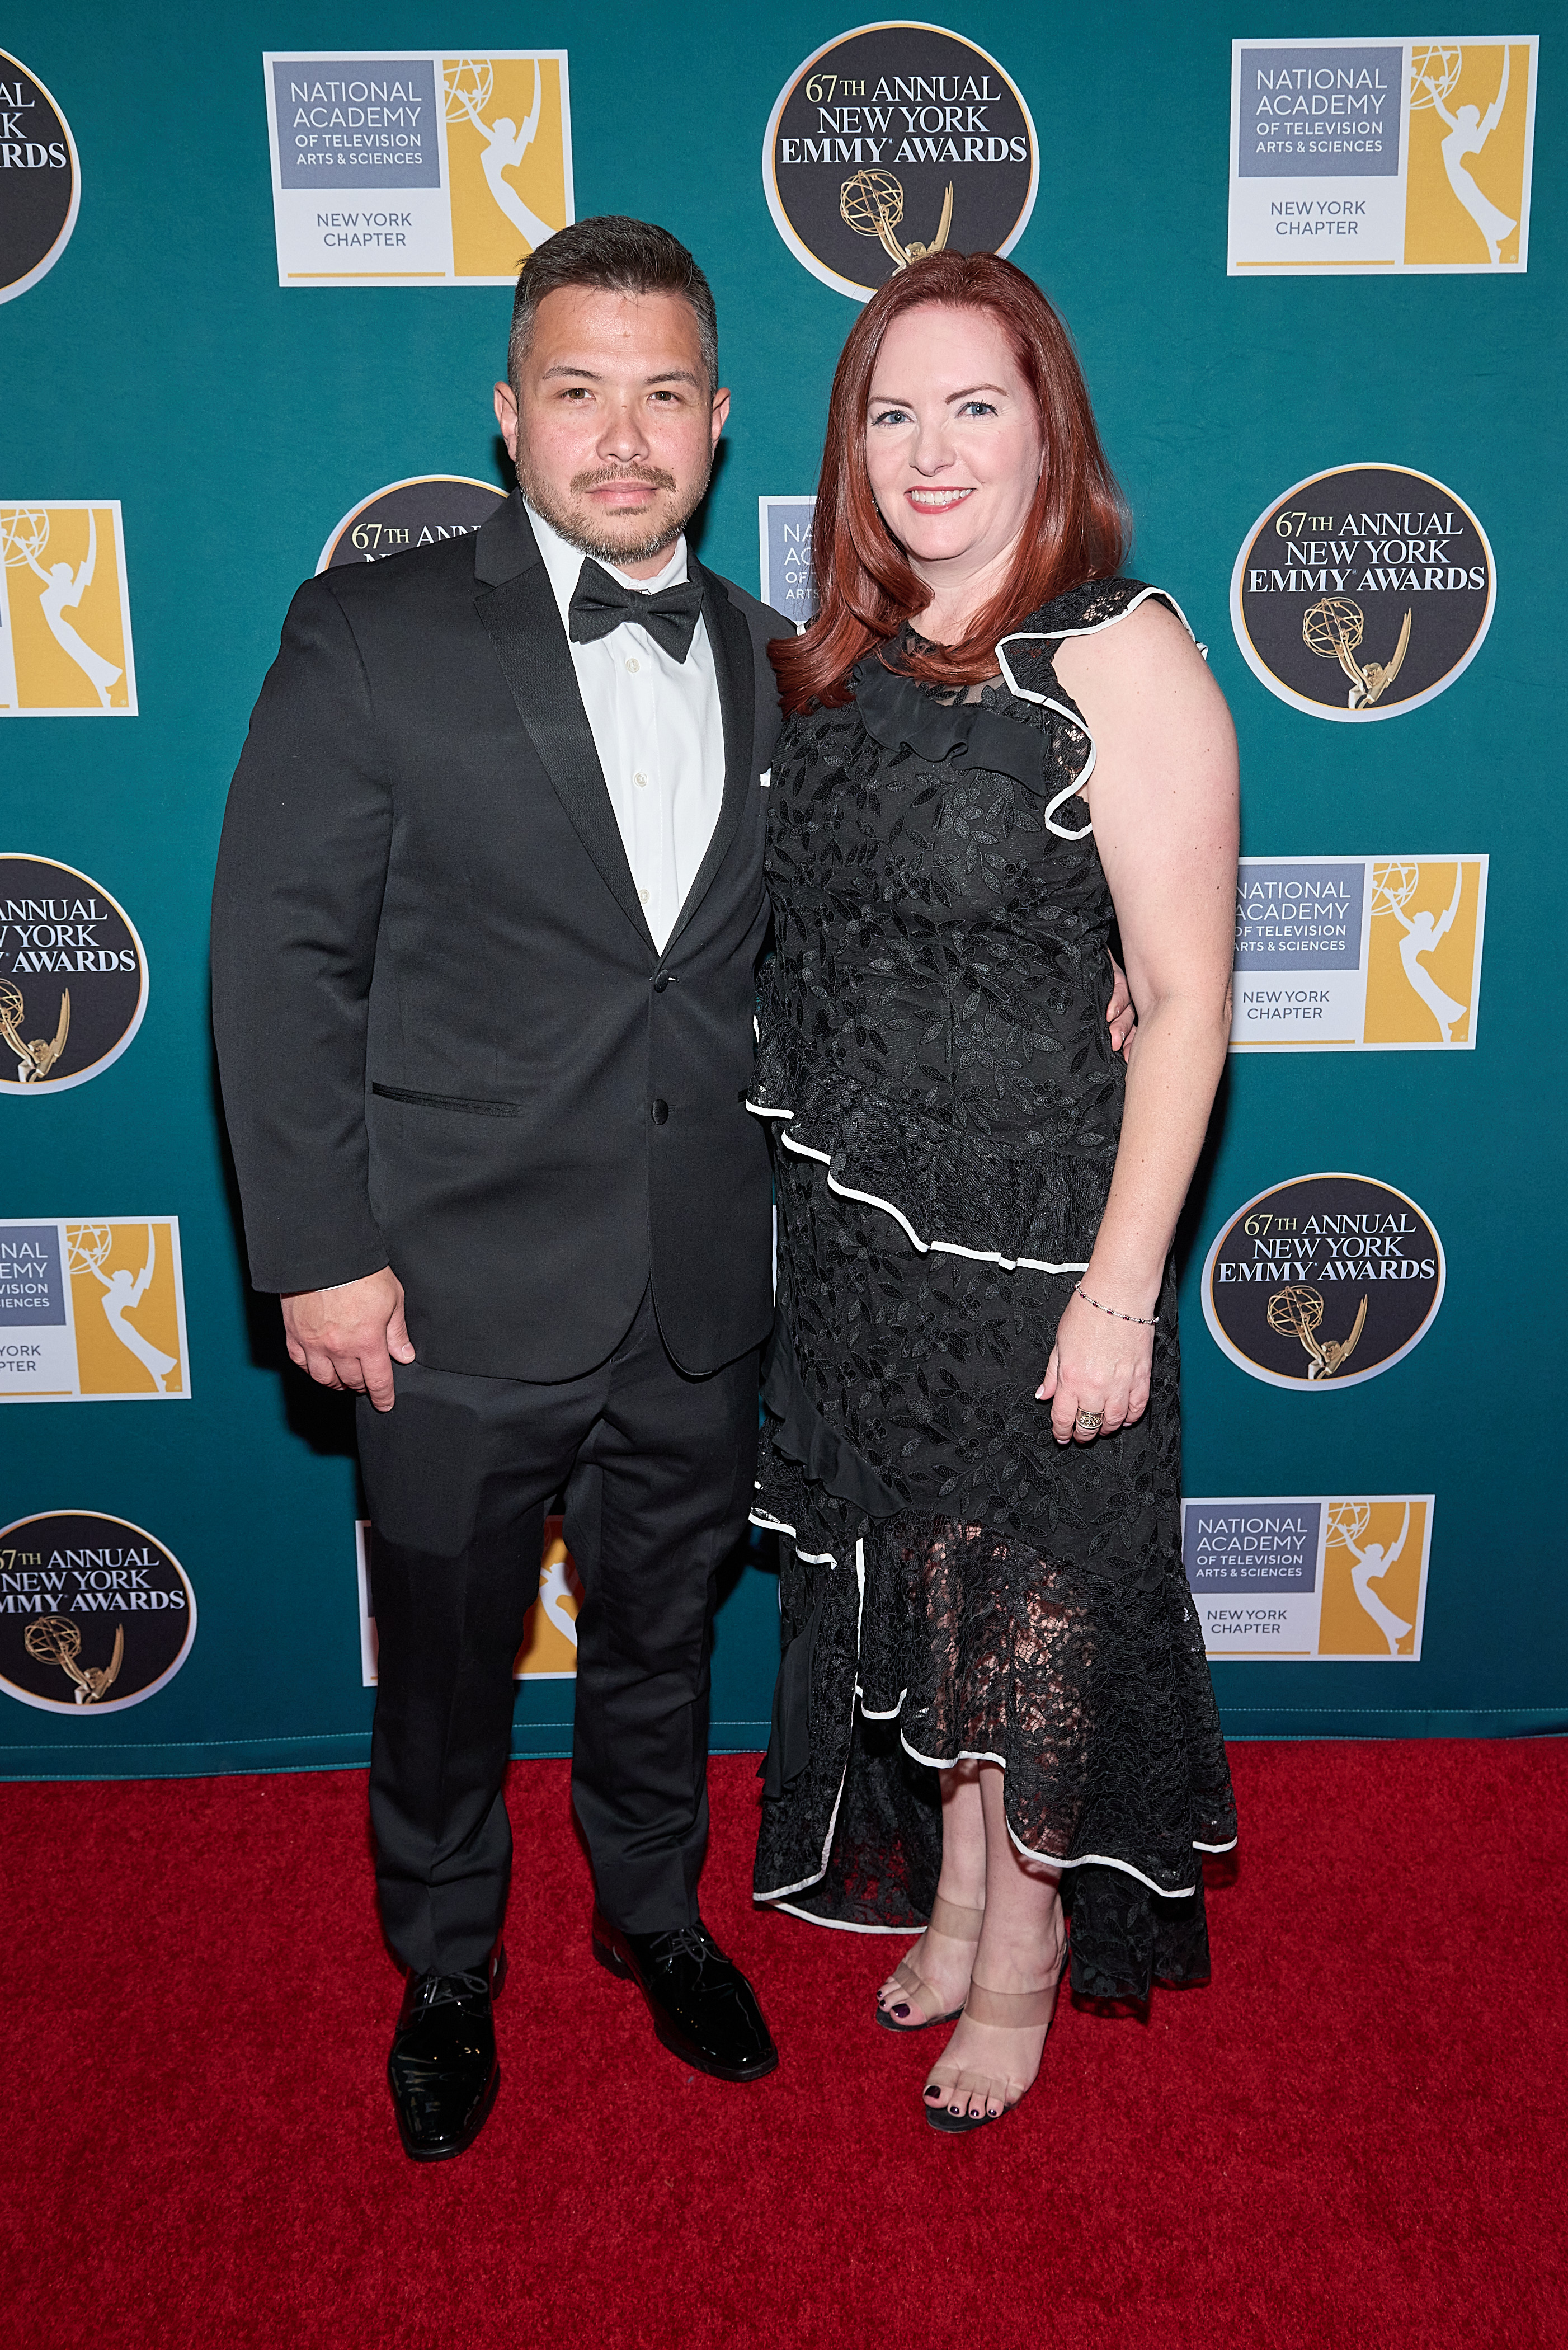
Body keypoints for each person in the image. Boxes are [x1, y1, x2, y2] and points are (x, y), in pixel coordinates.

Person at [211, 217, 793, 2161]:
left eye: (661, 394)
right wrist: (321, 1255)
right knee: (448, 1664)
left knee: (662, 1641)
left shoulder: (768, 657)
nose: (621, 437)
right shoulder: (369, 629)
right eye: (577, 391)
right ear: (508, 413)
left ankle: (653, 1914)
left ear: (716, 419)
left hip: (699, 1282)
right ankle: (447, 1963)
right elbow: (279, 958)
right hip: (446, 1288)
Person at [748, 250, 1240, 2133]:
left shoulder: (1117, 652)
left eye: (974, 407)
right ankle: (958, 1898)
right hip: (861, 1241)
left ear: (1049, 432)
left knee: (1032, 1596)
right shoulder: (842, 667)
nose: (930, 452)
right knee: (930, 1587)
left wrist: (1121, 1294)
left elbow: (1184, 1001)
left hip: (1043, 1241)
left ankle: (1023, 1948)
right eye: (891, 413)